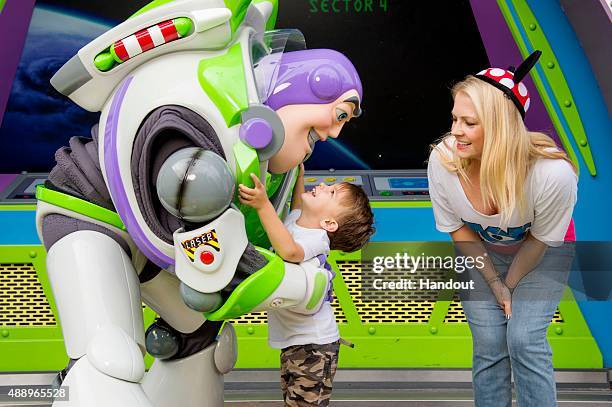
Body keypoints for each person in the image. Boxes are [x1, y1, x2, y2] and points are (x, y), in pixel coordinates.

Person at [427, 51, 578, 407]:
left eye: (470, 123)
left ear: (500, 127)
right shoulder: (444, 160)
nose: (455, 132)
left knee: (523, 339)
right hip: (479, 252)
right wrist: (494, 282)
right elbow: (458, 230)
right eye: (454, 119)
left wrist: (508, 286)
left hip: (542, 254)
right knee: (491, 345)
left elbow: (540, 240)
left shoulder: (552, 174)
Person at [238, 163, 375, 406]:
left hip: (316, 345)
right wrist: (298, 178)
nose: (322, 186)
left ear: (330, 224)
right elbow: (297, 206)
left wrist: (262, 205)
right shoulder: (297, 221)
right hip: (295, 342)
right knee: (293, 401)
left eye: (331, 193)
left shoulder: (317, 240)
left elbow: (289, 251)